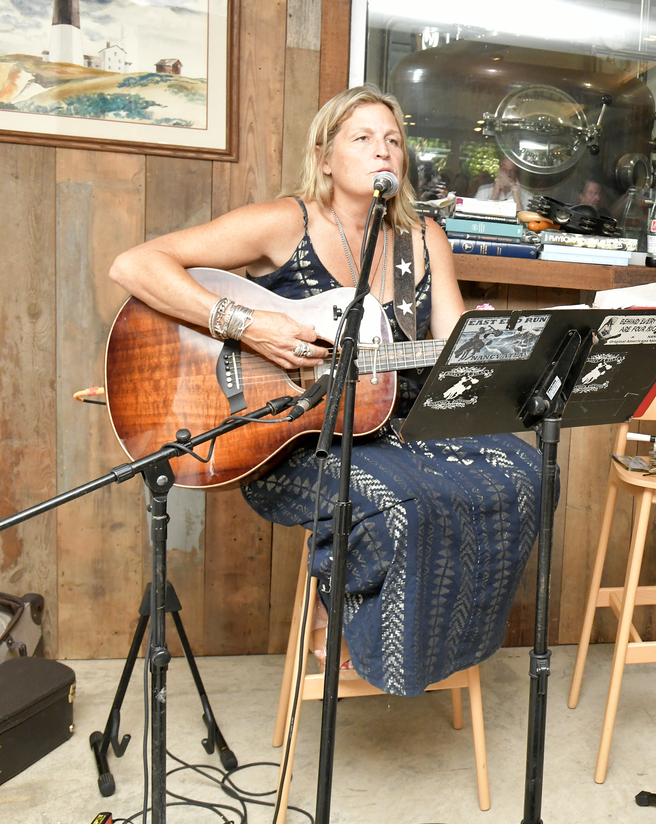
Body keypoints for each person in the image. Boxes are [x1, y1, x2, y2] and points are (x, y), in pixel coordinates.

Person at [108, 84, 543, 696]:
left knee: (525, 470)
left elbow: (450, 355)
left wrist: (485, 349)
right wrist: (252, 326)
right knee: (399, 503)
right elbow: (134, 265)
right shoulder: (285, 223)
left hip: (398, 426)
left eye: (393, 140)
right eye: (362, 138)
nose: (382, 150)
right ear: (326, 156)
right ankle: (344, 614)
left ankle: (422, 646)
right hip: (291, 440)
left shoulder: (424, 239)